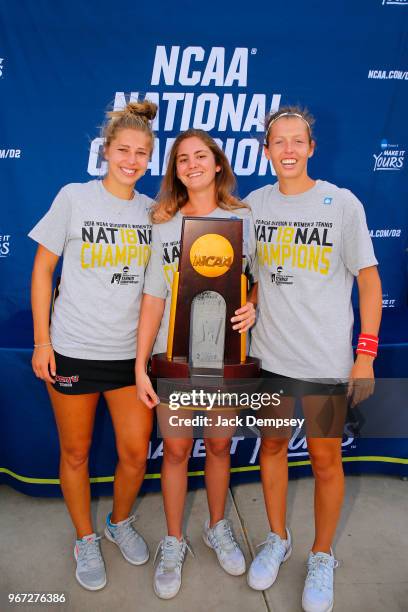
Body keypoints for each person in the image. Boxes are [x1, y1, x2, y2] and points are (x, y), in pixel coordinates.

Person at [245, 106, 382, 612]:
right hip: (270, 360)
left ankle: (321, 554)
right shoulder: (255, 206)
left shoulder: (341, 204)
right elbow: (255, 278)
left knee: (326, 460)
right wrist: (250, 305)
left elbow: (368, 279)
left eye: (296, 141)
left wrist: (364, 354)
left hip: (326, 361)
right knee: (274, 447)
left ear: (311, 148)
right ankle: (277, 537)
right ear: (266, 149)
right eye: (278, 142)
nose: (287, 150)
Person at [29, 100, 157, 591]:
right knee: (77, 453)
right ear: (105, 151)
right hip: (73, 348)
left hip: (129, 358)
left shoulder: (152, 211)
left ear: (150, 157)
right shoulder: (74, 197)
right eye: (123, 149)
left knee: (133, 454)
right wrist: (43, 341)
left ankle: (118, 522)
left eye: (141, 152)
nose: (131, 159)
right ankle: (85, 537)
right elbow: (42, 271)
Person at [135, 128, 257, 599]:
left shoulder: (243, 217)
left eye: (200, 155)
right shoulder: (163, 223)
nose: (191, 164)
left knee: (222, 445)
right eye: (182, 159)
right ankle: (172, 540)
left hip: (225, 358)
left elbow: (258, 278)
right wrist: (141, 364)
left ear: (218, 163)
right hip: (176, 360)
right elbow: (153, 295)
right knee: (179, 450)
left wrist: (255, 304)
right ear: (175, 171)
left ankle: (216, 526)